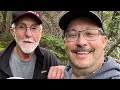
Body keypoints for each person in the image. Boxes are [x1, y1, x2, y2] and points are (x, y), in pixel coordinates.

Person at [0, 11, 64, 79]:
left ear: (41, 34)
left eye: (34, 28)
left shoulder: (48, 58)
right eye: (22, 27)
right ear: (13, 32)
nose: (28, 34)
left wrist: (65, 71)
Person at [58, 11, 120, 79]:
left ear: (104, 41)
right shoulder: (55, 75)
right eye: (73, 35)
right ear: (65, 42)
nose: (81, 42)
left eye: (90, 34)